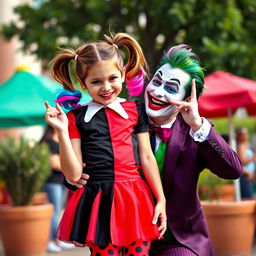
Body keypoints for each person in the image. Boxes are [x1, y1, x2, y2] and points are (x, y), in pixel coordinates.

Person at [71, 44, 243, 256]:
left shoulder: (194, 133)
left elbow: (233, 170)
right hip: (120, 232)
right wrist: (75, 178)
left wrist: (198, 125)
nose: (158, 92)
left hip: (174, 238)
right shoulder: (120, 116)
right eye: (157, 82)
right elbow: (85, 162)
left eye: (171, 88)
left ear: (187, 98)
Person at [45, 32, 167, 256]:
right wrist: (61, 131)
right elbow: (73, 175)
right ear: (83, 83)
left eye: (112, 78)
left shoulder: (136, 110)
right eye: (96, 82)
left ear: (122, 74)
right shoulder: (76, 118)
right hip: (97, 200)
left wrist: (161, 199)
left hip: (135, 198)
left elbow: (147, 157)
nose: (106, 87)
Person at [40, 125, 75, 253]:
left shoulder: (62, 142)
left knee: (58, 211)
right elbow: (54, 163)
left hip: (61, 182)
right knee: (53, 212)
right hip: (52, 182)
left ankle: (58, 240)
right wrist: (70, 166)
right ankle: (50, 241)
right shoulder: (49, 142)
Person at [236, 127, 256, 199]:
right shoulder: (240, 146)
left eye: (245, 134)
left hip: (247, 174)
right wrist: (253, 157)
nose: (245, 136)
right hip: (245, 174)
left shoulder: (245, 145)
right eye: (242, 134)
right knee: (247, 198)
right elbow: (242, 161)